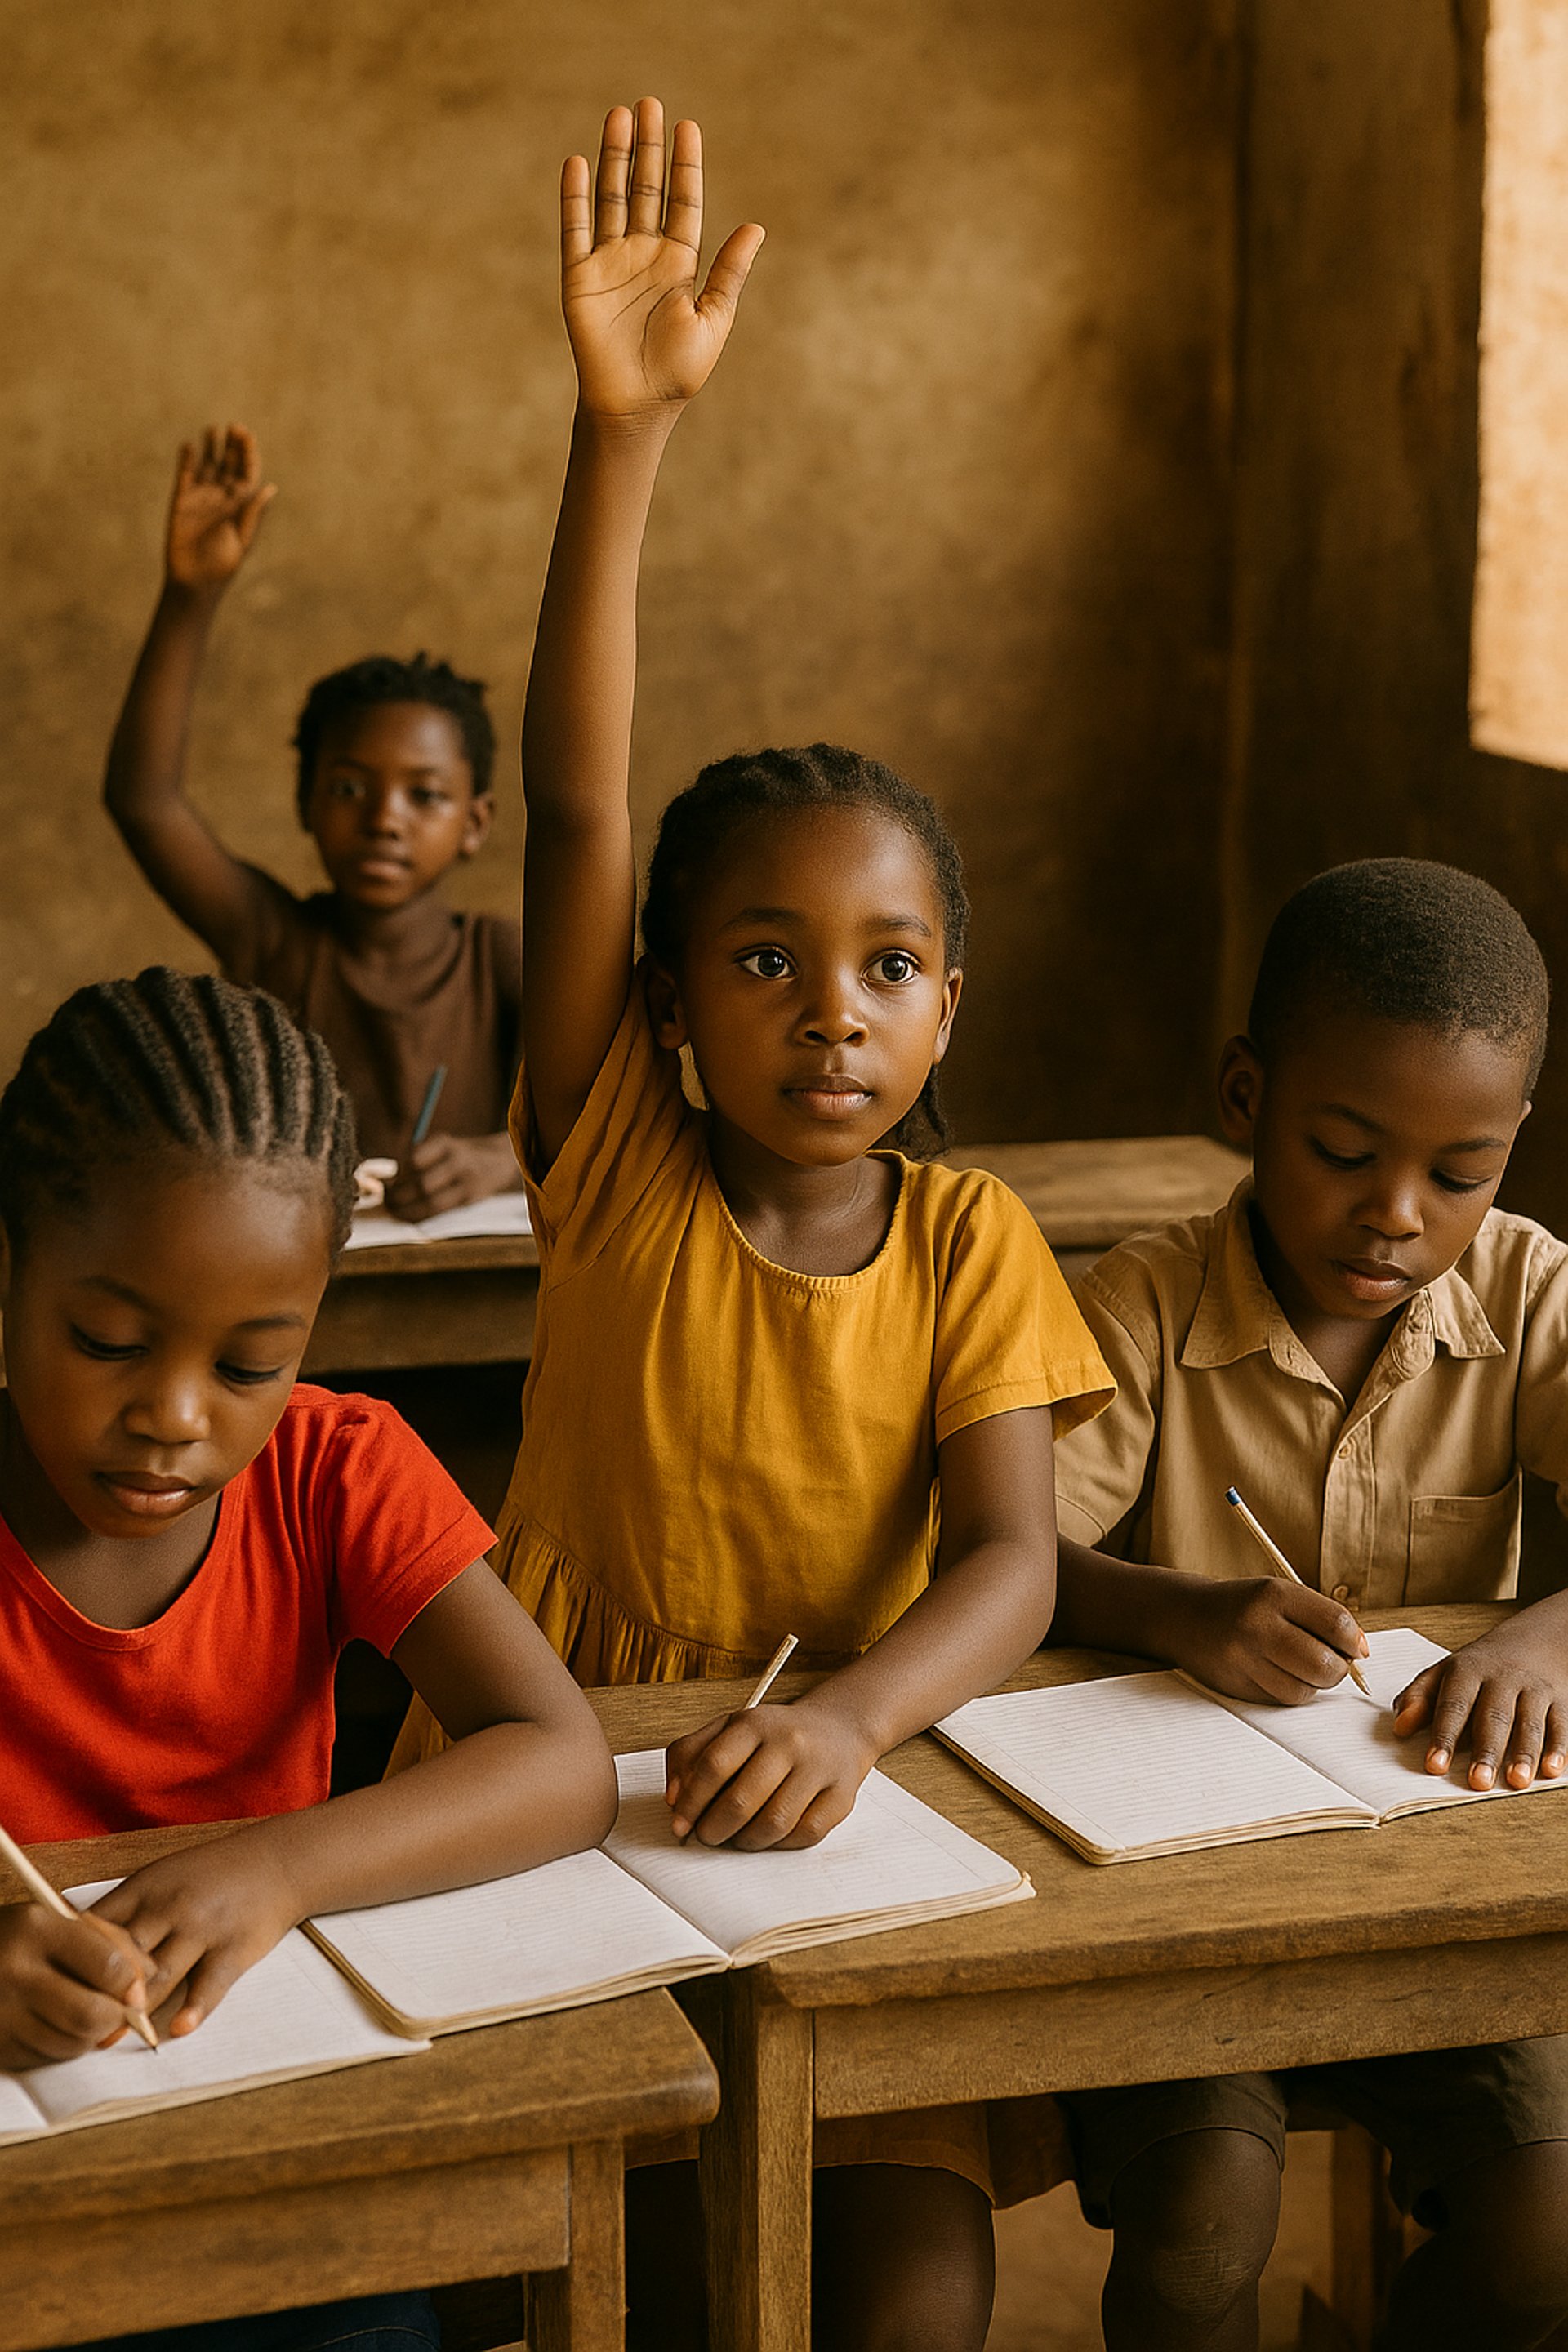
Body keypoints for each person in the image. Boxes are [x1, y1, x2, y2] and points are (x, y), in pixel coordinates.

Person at [392, 97, 1111, 2352]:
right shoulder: (610, 1156)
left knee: (904, 2307)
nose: (831, 1009)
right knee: (561, 2279)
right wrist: (625, 442)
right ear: (666, 1009)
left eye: (888, 966)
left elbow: (1011, 1558)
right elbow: (588, 782)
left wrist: (864, 1727)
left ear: (950, 1010)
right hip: (555, 1780)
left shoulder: (971, 1238)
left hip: (838, 1799)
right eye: (764, 959)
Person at [0, 964, 617, 2352]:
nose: (172, 1417)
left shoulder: (335, 1473)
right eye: (107, 1341)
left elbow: (562, 1761)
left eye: (249, 1364)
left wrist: (280, 1865)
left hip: (278, 2130)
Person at [1049, 858, 1568, 2352]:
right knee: (1202, 2242)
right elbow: (1017, 1563)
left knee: (1546, 2246)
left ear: (1511, 1152)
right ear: (1245, 1095)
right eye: (1343, 1149)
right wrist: (1181, 1616)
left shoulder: (1530, 1298)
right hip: (1190, 1908)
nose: (1396, 1214)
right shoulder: (1139, 1306)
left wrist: (1542, 1631)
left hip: (1442, 1909)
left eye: (1460, 1175)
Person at [102, 433, 520, 1219]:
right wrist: (191, 596)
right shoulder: (276, 941)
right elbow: (145, 801)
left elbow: (614, 1110)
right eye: (349, 787)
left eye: (424, 796)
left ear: (476, 823)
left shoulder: (501, 963)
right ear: (305, 804)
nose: (385, 819)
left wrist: (502, 1159)